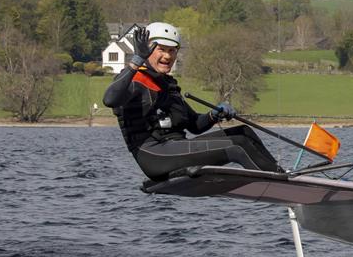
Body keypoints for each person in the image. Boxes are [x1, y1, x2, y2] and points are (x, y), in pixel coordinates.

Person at [103, 23, 280, 181]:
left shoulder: (167, 85)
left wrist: (214, 115)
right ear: (147, 50)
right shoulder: (136, 80)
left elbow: (194, 125)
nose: (167, 56)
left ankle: (281, 173)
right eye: (162, 49)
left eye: (172, 50)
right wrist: (136, 60)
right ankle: (279, 183)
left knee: (244, 133)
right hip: (154, 155)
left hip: (175, 147)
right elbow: (109, 99)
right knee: (237, 146)